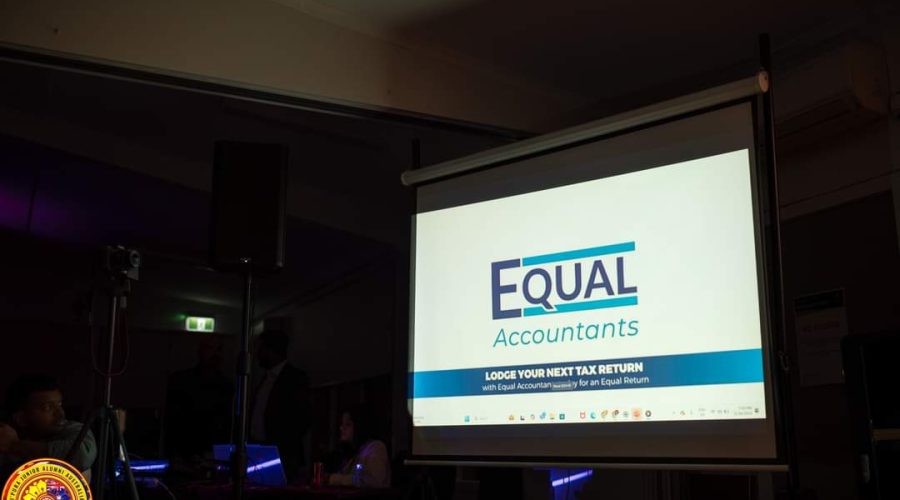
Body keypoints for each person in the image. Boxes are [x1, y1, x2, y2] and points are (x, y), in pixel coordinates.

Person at [0, 374, 96, 479]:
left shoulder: (73, 430)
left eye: (59, 404)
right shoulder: (6, 434)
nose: (60, 413)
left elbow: (82, 455)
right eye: (48, 408)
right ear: (21, 418)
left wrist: (15, 446)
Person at [250, 330, 311, 482]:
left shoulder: (295, 378)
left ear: (271, 351)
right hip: (261, 451)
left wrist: (280, 445)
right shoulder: (267, 378)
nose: (257, 354)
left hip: (282, 455)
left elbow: (302, 419)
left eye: (261, 349)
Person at [164, 336, 233, 458]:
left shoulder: (227, 385)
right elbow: (172, 420)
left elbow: (227, 422)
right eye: (210, 348)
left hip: (214, 450)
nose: (215, 354)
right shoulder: (181, 381)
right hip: (185, 448)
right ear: (200, 351)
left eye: (219, 349)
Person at [328, 406, 390, 488]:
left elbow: (374, 481)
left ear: (359, 426)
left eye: (348, 424)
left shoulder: (376, 448)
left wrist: (333, 479)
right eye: (342, 424)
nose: (342, 428)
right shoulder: (355, 452)